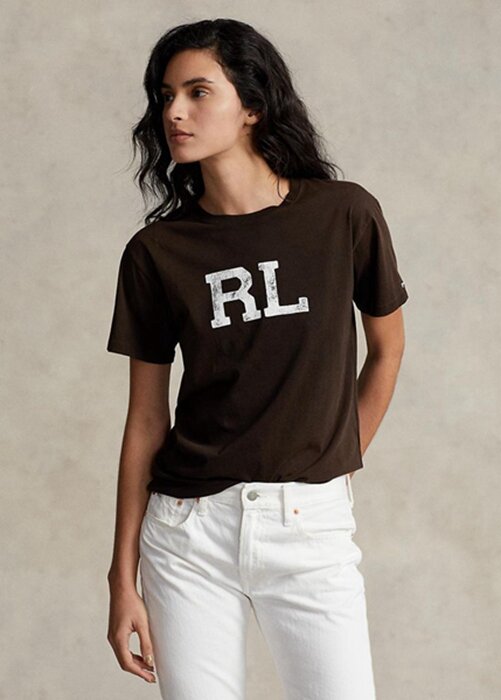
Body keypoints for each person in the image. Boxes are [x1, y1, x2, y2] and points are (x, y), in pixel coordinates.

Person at [105, 18, 408, 700]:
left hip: (308, 526)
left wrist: (332, 460)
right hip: (185, 533)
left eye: (197, 92)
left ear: (251, 105)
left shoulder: (343, 216)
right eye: (165, 95)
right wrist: (122, 577)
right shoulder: (157, 252)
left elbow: (387, 348)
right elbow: (146, 418)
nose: (174, 112)